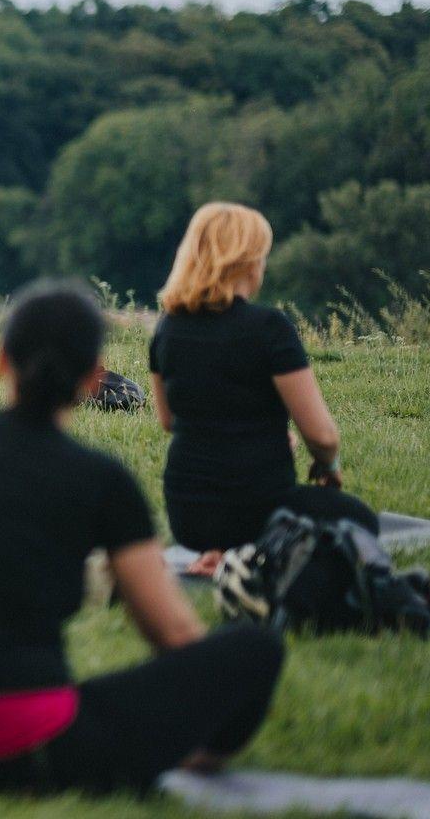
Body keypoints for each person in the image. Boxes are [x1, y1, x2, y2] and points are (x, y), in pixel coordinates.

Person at [0, 280, 284, 795]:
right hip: (26, 747)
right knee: (253, 647)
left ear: (0, 360)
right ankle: (197, 756)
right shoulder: (101, 480)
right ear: (93, 378)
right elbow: (172, 634)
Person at [149, 202, 376, 569]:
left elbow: (168, 420)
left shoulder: (167, 328)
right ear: (249, 261)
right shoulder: (269, 327)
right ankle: (250, 553)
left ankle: (220, 553)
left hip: (187, 516)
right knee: (360, 521)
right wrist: (327, 463)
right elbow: (321, 435)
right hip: (259, 512)